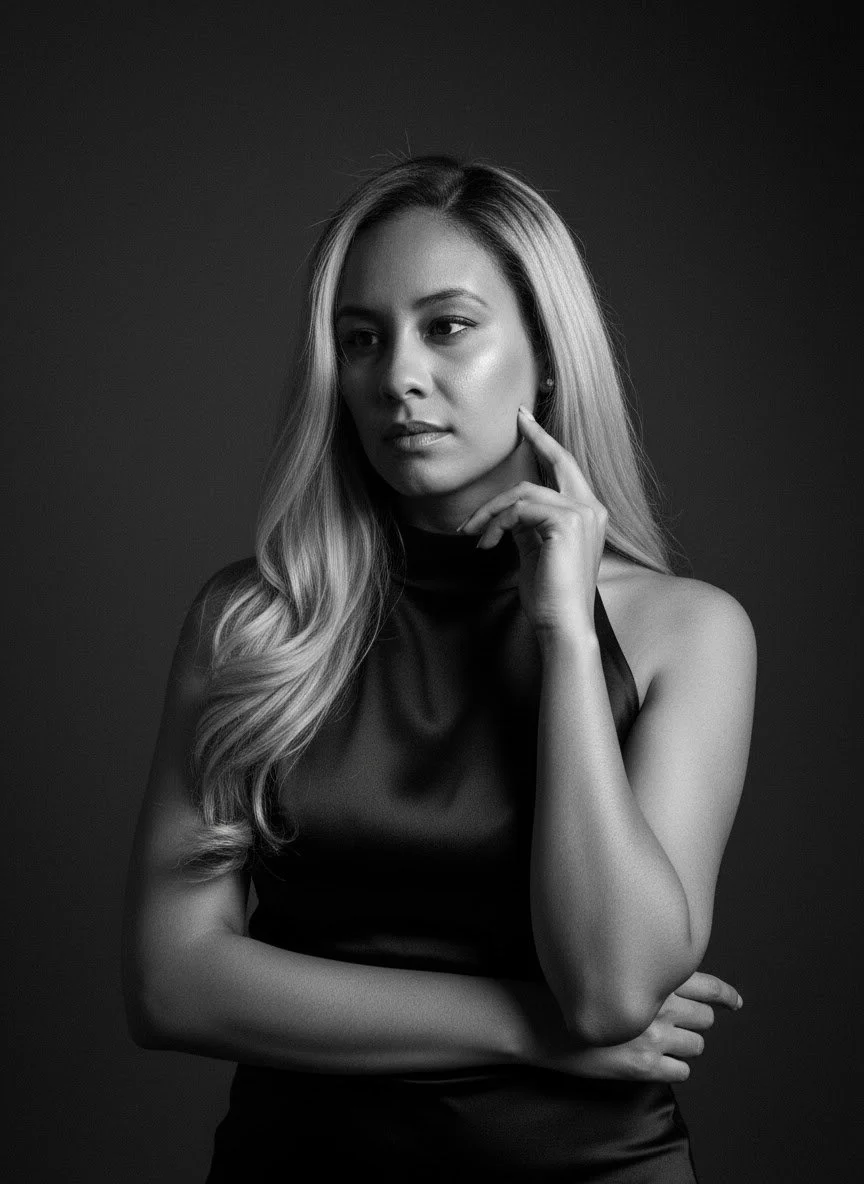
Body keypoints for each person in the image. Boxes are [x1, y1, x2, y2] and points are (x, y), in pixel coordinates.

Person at [121, 155, 757, 1181]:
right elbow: (170, 984)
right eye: (361, 338)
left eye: (448, 326)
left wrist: (563, 631)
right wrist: (530, 1029)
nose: (397, 377)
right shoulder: (255, 622)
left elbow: (610, 990)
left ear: (546, 358)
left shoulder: (688, 631)